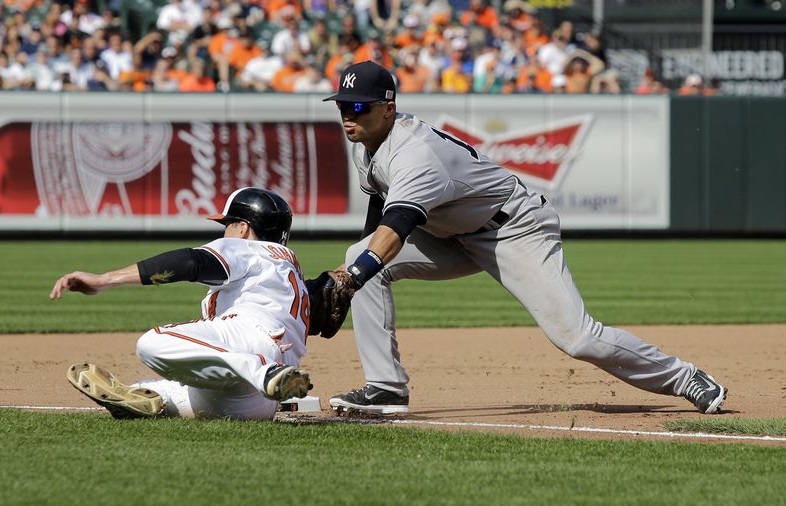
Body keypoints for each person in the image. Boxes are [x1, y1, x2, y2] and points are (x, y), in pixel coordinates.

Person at [322, 61, 727, 415]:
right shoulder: (366, 144)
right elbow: (379, 217)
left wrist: (352, 278)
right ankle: (385, 389)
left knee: (578, 337)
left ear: (389, 108)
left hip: (514, 229)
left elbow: (396, 227)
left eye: (358, 106)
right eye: (342, 105)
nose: (347, 115)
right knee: (362, 257)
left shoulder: (414, 154)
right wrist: (355, 274)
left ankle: (683, 377)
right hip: (453, 235)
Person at [49, 188, 313, 420]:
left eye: (228, 224)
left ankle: (263, 371)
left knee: (152, 343)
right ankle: (151, 395)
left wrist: (104, 279)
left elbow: (191, 262)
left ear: (242, 228)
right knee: (185, 396)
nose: (225, 232)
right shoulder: (291, 270)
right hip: (257, 404)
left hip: (251, 341)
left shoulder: (248, 249)